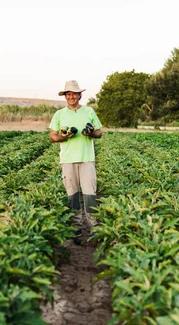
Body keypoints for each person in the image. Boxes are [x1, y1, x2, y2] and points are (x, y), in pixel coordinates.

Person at [49, 80, 103, 238]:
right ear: (65, 96)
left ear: (80, 95)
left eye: (74, 94)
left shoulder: (89, 111)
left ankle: (94, 225)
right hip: (67, 159)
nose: (72, 96)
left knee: (90, 193)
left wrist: (91, 133)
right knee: (72, 193)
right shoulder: (59, 114)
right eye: (69, 94)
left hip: (87, 158)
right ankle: (76, 226)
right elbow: (52, 136)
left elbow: (99, 132)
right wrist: (62, 137)